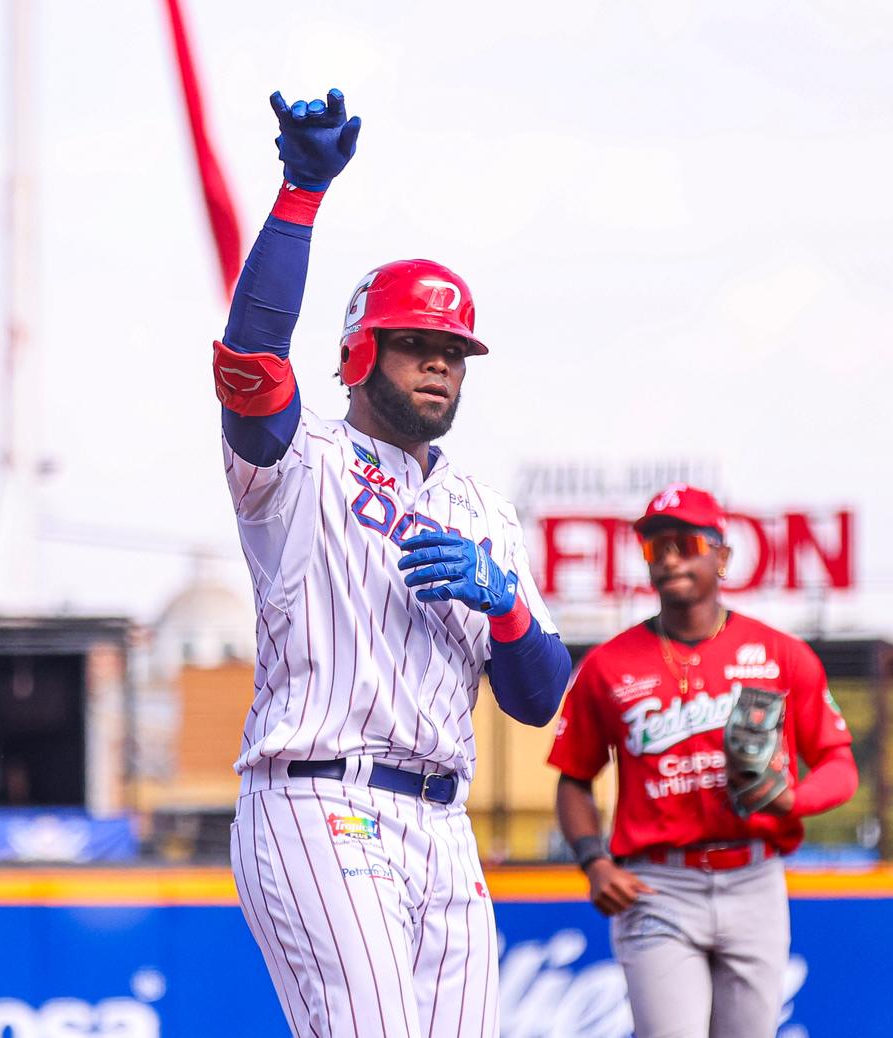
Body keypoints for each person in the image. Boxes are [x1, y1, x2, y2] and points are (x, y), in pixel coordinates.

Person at [213, 88, 572, 1038]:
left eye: (453, 350)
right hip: (319, 794)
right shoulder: (301, 463)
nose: (439, 364)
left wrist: (508, 609)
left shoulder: (484, 513)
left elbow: (539, 700)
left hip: (443, 824)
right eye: (416, 343)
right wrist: (299, 198)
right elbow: (250, 363)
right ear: (363, 350)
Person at [548, 483, 858, 1038]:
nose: (668, 557)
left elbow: (839, 763)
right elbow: (574, 777)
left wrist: (794, 799)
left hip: (755, 877)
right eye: (654, 546)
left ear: (722, 555)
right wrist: (594, 861)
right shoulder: (607, 666)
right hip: (659, 885)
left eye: (684, 542)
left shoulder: (782, 655)